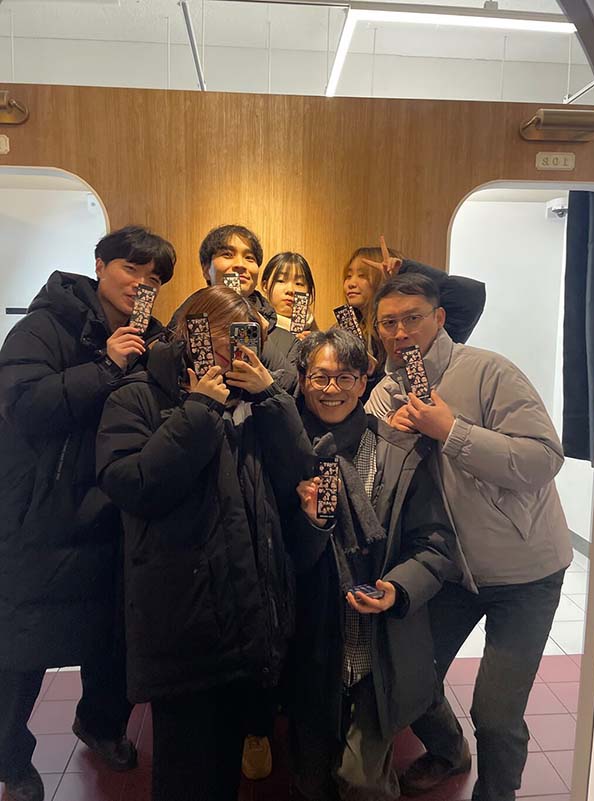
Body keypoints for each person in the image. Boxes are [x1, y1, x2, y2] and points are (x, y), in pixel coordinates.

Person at [365, 273, 573, 801]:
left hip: (525, 572)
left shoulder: (488, 371)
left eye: (413, 318)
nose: (400, 332)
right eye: (388, 322)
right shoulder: (384, 394)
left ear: (439, 319)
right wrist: (390, 437)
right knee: (410, 679)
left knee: (496, 715)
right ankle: (448, 751)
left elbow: (543, 458)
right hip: (450, 571)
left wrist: (451, 431)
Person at [96, 285, 306, 801]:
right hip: (184, 624)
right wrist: (198, 410)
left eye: (248, 341)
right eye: (226, 339)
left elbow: (298, 475)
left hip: (247, 619)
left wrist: (272, 398)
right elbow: (132, 485)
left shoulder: (252, 402)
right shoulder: (137, 395)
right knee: (186, 774)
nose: (238, 353)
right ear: (190, 332)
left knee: (224, 770)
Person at [0, 225, 176, 801]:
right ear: (101, 265)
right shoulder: (47, 325)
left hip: (117, 506)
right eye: (131, 269)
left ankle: (100, 725)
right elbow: (22, 403)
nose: (141, 284)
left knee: (115, 634)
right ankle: (11, 758)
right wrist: (105, 364)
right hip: (48, 512)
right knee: (23, 643)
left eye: (153, 279)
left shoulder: (153, 336)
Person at [261, 327, 467, 801]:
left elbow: (435, 543)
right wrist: (310, 525)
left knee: (362, 781)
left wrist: (398, 589)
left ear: (363, 381)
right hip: (311, 645)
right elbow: (271, 557)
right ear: (301, 380)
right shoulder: (282, 454)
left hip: (380, 644)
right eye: (320, 377)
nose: (331, 389)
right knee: (310, 781)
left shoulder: (399, 451)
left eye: (345, 377)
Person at [341, 237, 486, 397]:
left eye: (362, 275)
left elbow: (470, 295)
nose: (351, 283)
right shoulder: (347, 330)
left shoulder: (427, 329)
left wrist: (406, 271)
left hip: (433, 402)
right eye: (348, 276)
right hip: (379, 408)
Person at [170, 224, 299, 392]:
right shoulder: (184, 320)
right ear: (206, 269)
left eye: (249, 258)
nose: (240, 264)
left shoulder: (288, 341)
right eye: (227, 254)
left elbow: (294, 390)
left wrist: (256, 334)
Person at [260, 251, 318, 343]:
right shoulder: (258, 326)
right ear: (265, 286)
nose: (290, 290)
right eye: (281, 281)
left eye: (299, 283)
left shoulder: (315, 333)